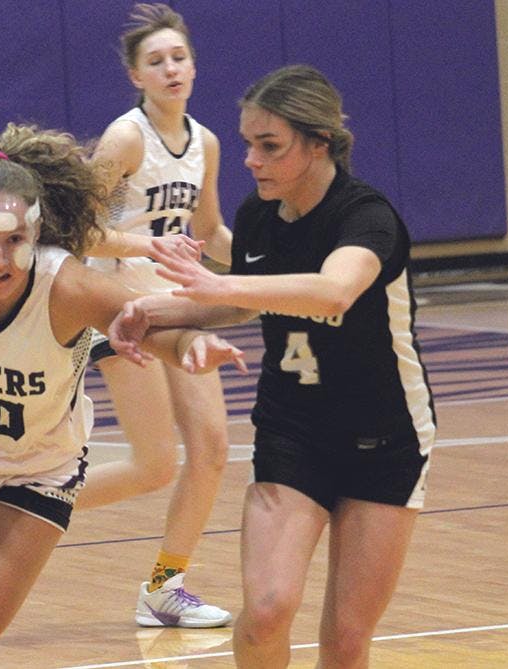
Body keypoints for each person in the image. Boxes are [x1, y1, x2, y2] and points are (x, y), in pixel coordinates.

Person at [0, 123, 247, 668]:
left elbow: (152, 328)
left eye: (15, 241)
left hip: (32, 474)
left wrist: (192, 345)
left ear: (37, 233)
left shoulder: (69, 287)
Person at [109, 65, 436, 667]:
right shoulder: (260, 216)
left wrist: (218, 284)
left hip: (385, 438)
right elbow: (240, 299)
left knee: (344, 641)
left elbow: (333, 292)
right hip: (295, 432)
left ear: (319, 143)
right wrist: (151, 311)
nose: (251, 161)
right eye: (247, 145)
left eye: (270, 146)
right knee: (264, 613)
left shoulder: (366, 216)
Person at [79, 3, 235, 628]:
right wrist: (146, 245)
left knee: (214, 449)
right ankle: (16, 504)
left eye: (179, 57)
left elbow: (211, 230)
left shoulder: (207, 143)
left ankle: (164, 587)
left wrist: (267, 259)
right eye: (156, 61)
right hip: (118, 305)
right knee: (153, 466)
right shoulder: (126, 139)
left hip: (175, 306)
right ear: (136, 77)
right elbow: (79, 231)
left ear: (193, 66)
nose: (171, 68)